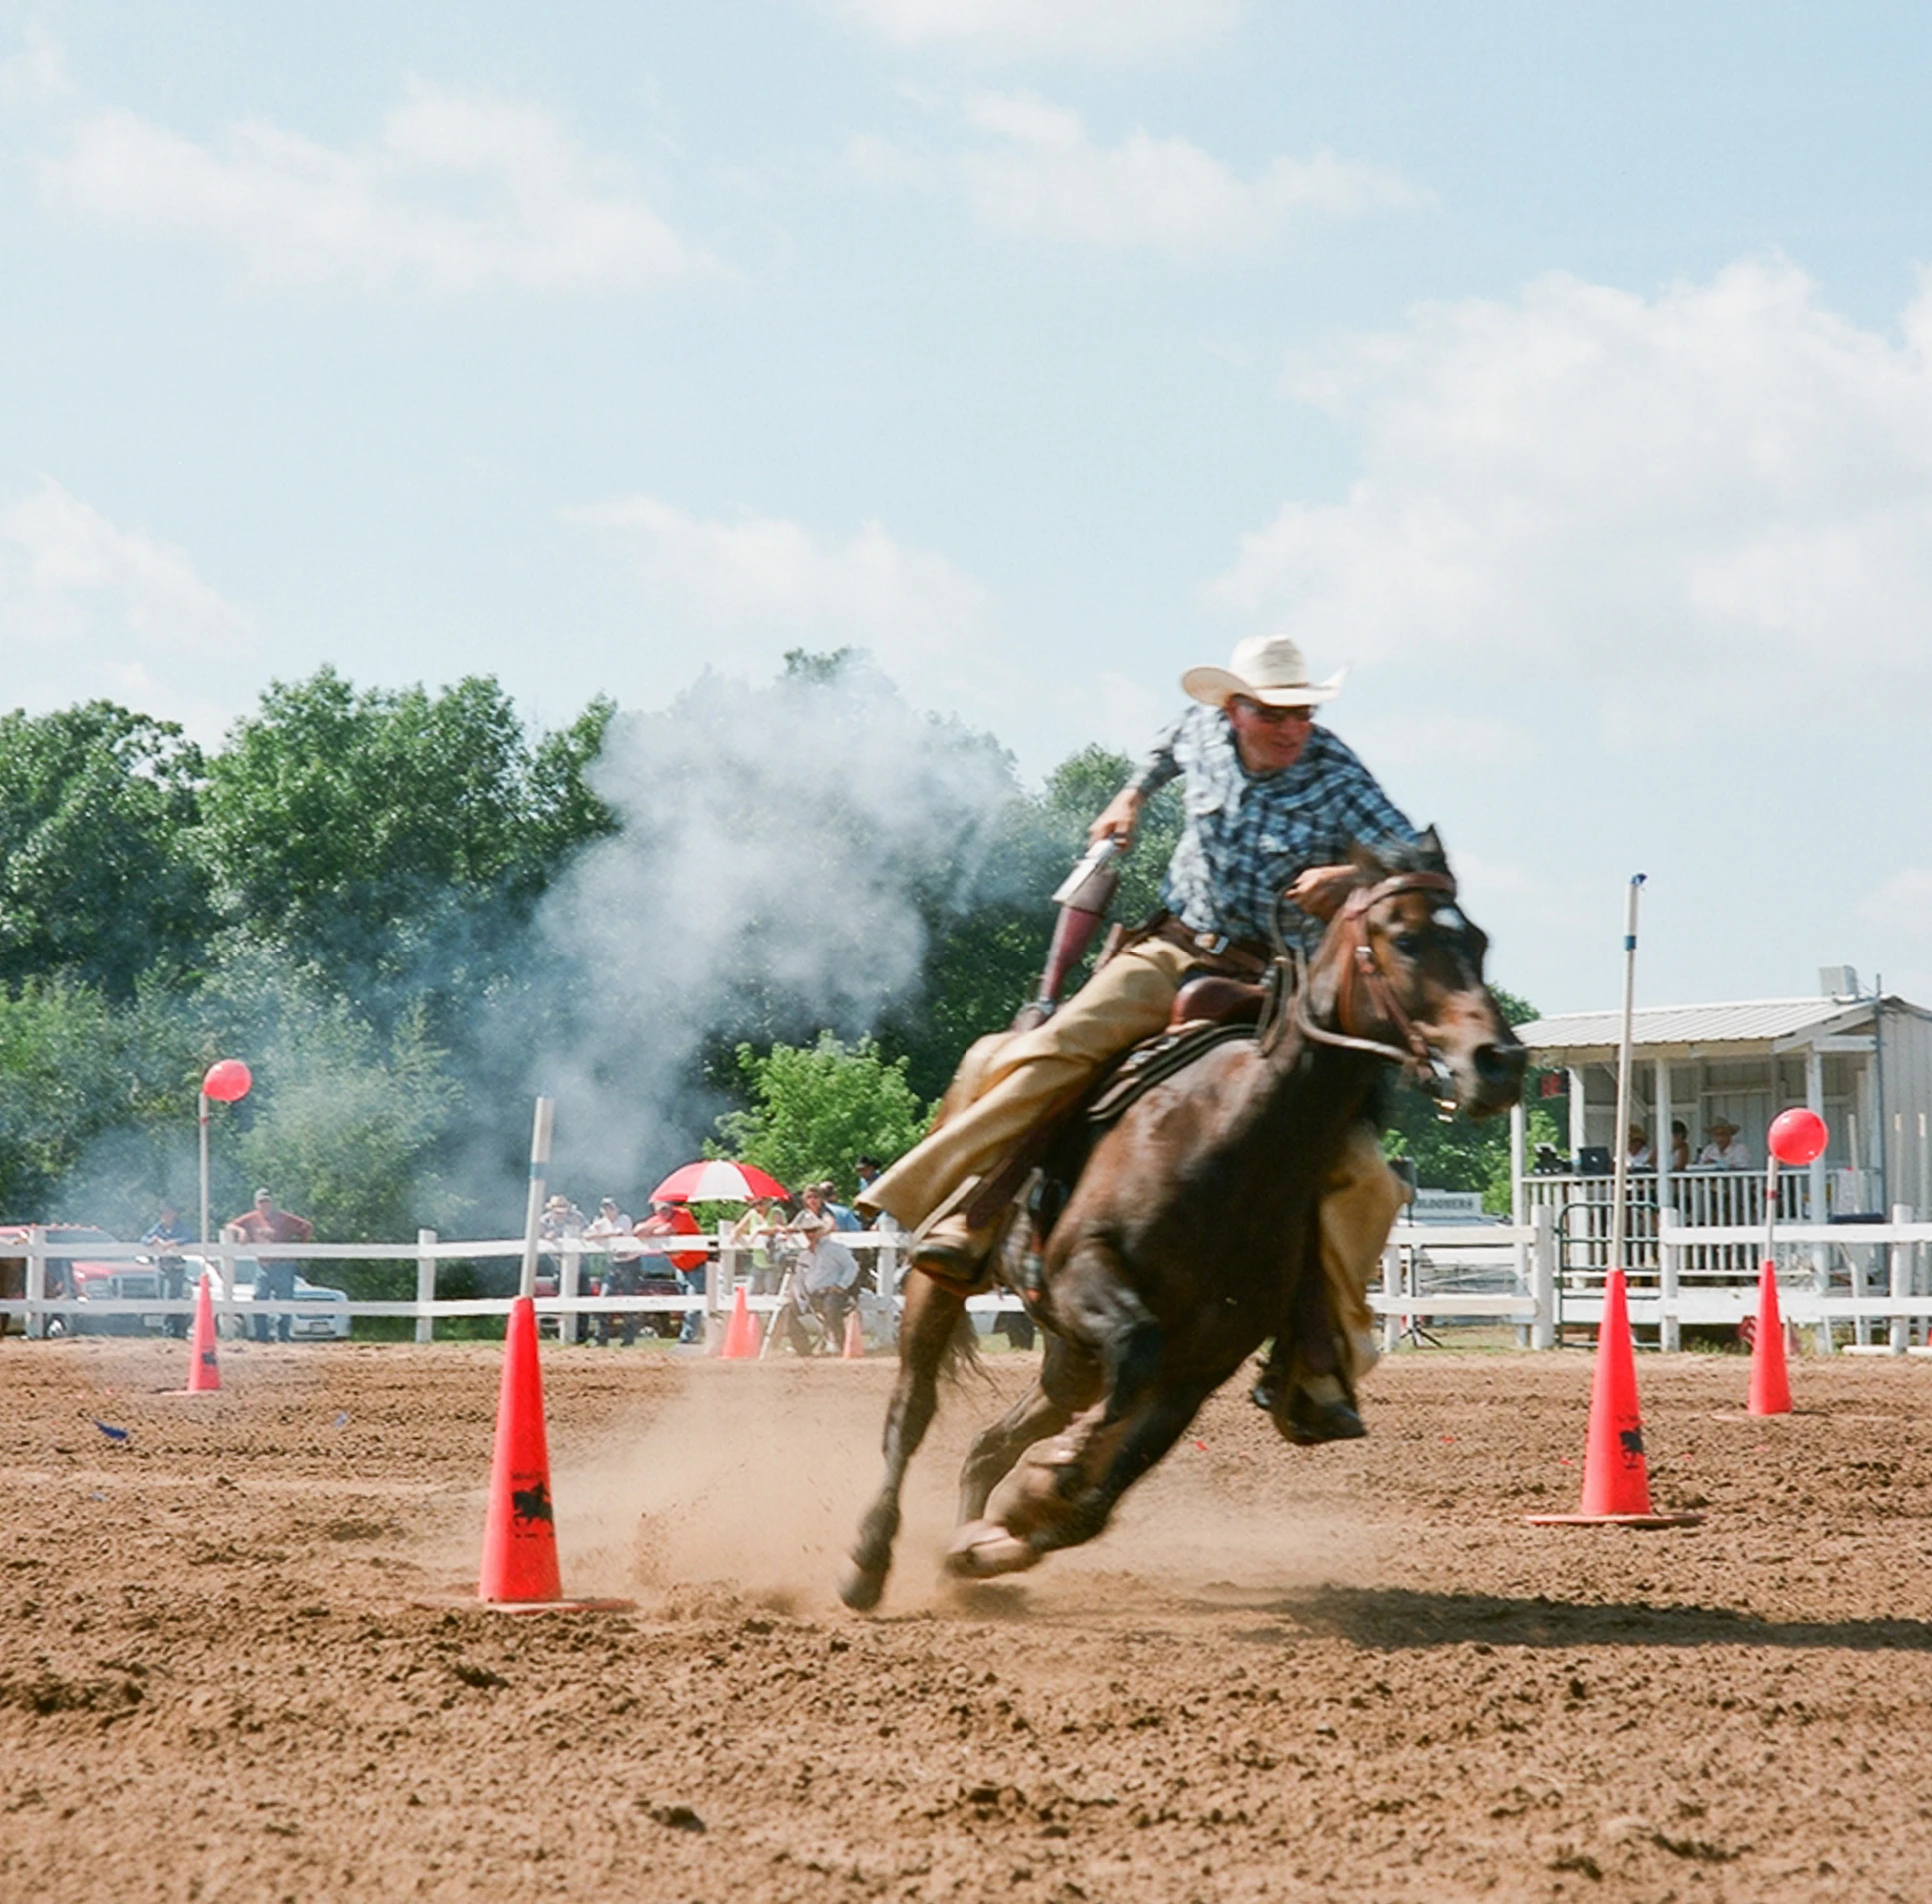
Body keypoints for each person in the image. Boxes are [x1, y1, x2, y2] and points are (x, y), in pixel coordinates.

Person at [859, 633, 1420, 1443]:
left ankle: (1319, 1356)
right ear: (1234, 707)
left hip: (1280, 986)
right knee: (1047, 1053)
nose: (1292, 725)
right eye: (1274, 710)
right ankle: (959, 1212)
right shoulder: (1198, 733)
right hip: (1174, 949)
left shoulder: (1335, 768)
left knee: (1366, 1177)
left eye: (1302, 710)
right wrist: (1128, 797)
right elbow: (1160, 751)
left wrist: (1350, 876)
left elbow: (1407, 851)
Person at [223, 1189, 313, 1343]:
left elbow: (306, 1227)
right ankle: (261, 1337)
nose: (264, 1205)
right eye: (261, 1202)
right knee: (259, 1300)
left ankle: (283, 1337)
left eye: (267, 1202)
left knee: (284, 1303)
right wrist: (241, 1231)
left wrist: (298, 1248)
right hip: (263, 1266)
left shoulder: (283, 1218)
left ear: (272, 1203)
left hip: (283, 1265)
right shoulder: (251, 1218)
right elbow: (229, 1226)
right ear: (256, 1204)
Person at [780, 1214, 864, 1356]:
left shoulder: (834, 1249)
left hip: (833, 1293)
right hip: (811, 1294)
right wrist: (797, 1295)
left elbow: (851, 1267)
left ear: (819, 1231)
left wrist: (841, 1286)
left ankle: (840, 1345)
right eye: (807, 1232)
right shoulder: (804, 1255)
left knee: (830, 1307)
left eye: (813, 1231)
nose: (810, 1235)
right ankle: (802, 1349)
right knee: (788, 1310)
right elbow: (799, 1278)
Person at [636, 1199, 708, 1346]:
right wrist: (656, 1228)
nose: (664, 1212)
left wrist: (652, 1231)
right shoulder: (657, 1220)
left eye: (666, 1208)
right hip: (680, 1268)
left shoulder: (683, 1214)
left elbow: (666, 1231)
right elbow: (637, 1231)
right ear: (655, 1210)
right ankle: (694, 1336)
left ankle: (687, 1340)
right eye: (660, 1209)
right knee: (686, 1303)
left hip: (697, 1266)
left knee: (693, 1303)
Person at [585, 1198, 637, 1346]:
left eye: (610, 1208)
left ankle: (628, 1338)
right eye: (604, 1208)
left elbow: (618, 1235)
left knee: (628, 1300)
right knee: (604, 1298)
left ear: (616, 1209)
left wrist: (597, 1236)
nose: (607, 1211)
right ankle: (601, 1337)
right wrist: (598, 1235)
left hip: (629, 1264)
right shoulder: (600, 1223)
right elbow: (586, 1235)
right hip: (613, 1264)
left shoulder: (624, 1219)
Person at [141, 1202, 193, 1338]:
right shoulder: (158, 1228)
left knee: (175, 1297)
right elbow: (144, 1239)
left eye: (167, 1213)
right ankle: (166, 1330)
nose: (164, 1216)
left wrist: (174, 1242)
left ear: (174, 1214)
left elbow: (188, 1238)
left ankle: (174, 1330)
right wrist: (152, 1241)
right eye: (163, 1213)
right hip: (162, 1267)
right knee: (161, 1297)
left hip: (176, 1267)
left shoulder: (180, 1228)